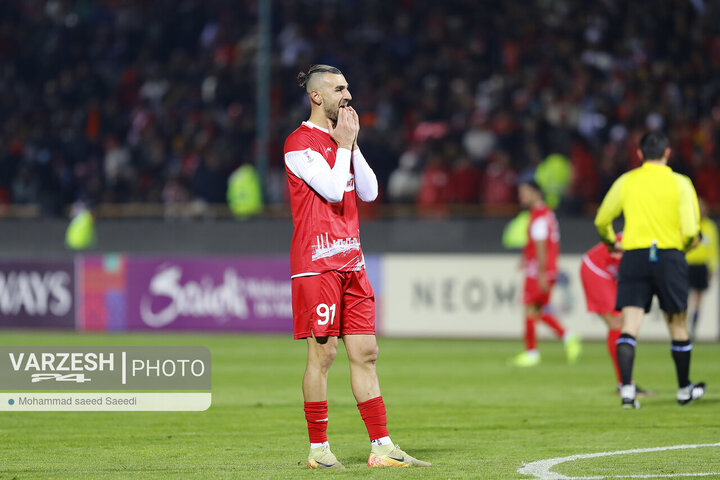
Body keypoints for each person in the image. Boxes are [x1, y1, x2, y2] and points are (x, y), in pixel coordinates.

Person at [284, 64, 430, 469]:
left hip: (352, 261)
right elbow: (331, 189)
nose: (347, 95)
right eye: (339, 89)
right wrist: (344, 144)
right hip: (318, 264)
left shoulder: (342, 139)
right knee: (324, 355)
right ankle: (318, 451)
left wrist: (351, 143)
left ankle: (381, 446)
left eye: (348, 87)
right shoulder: (298, 143)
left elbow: (369, 191)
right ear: (317, 96)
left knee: (366, 352)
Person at [594, 130, 705, 409]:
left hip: (634, 256)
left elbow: (602, 219)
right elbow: (691, 230)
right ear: (668, 153)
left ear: (640, 154)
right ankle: (683, 390)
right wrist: (684, 245)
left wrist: (611, 243)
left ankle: (628, 392)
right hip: (669, 256)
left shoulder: (627, 181)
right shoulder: (681, 183)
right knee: (678, 325)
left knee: (629, 326)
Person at [511, 177, 581, 367]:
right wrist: (526, 257)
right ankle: (568, 337)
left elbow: (541, 245)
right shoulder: (545, 214)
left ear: (536, 193)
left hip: (539, 271)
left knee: (530, 308)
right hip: (544, 268)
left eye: (525, 192)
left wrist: (541, 272)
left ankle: (532, 353)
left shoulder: (539, 216)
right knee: (536, 310)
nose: (521, 196)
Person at [580, 234, 654, 396]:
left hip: (606, 271)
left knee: (619, 323)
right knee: (617, 322)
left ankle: (624, 383)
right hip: (597, 268)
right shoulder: (639, 236)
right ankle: (624, 384)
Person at [685, 198, 719, 340]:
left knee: (697, 299)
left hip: (701, 266)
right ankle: (683, 327)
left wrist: (711, 268)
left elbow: (712, 249)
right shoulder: (688, 224)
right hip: (687, 264)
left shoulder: (709, 226)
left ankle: (693, 328)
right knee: (683, 297)